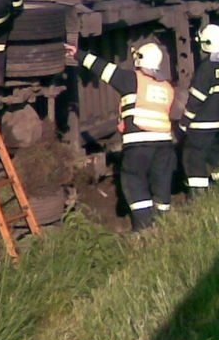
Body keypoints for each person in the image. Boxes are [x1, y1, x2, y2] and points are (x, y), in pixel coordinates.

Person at [65, 41, 176, 232]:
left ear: (139, 60)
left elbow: (103, 69)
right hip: (164, 144)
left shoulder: (132, 80)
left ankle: (144, 228)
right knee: (161, 181)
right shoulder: (167, 87)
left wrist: (78, 53)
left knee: (134, 181)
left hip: (139, 144)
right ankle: (164, 224)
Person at [178, 24, 219, 194]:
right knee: (217, 154)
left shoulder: (206, 68)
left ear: (207, 44)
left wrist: (184, 122)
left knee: (193, 157)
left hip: (202, 125)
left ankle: (199, 195)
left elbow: (196, 100)